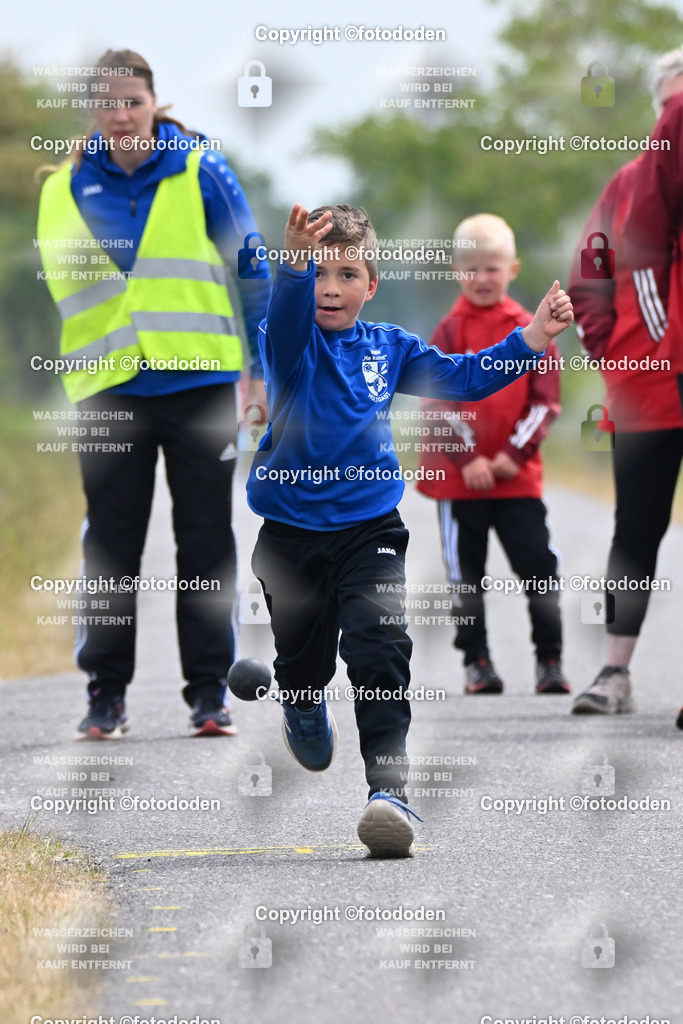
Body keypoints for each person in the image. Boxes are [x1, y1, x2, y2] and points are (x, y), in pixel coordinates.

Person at [246, 203, 574, 856]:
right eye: (318, 273)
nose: (329, 288)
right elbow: (282, 318)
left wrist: (533, 335)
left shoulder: (388, 348)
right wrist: (291, 265)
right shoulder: (288, 345)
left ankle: (387, 794)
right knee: (302, 662)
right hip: (288, 537)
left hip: (369, 530)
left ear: (372, 283)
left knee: (379, 645)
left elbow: (464, 377)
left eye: (346, 274)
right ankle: (302, 700)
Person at [36, 49, 271, 739]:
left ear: (152, 102)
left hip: (199, 379)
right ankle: (105, 693)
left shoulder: (202, 169)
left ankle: (208, 694)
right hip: (107, 388)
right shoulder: (63, 187)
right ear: (92, 110)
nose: (120, 115)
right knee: (111, 543)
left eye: (132, 102)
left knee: (204, 540)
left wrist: (260, 372)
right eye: (107, 103)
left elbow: (252, 270)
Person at [568, 49, 683, 717]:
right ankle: (613, 674)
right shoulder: (624, 185)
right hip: (643, 390)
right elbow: (588, 276)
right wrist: (613, 355)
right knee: (634, 529)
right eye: (674, 100)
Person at [417, 214, 568, 695]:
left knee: (538, 566)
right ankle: (477, 662)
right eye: (471, 268)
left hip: (516, 479)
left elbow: (545, 403)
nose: (482, 278)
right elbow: (435, 403)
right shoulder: (449, 330)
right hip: (459, 483)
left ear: (513, 268)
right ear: (457, 271)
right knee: (466, 574)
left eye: (492, 268)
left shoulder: (532, 328)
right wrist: (469, 459)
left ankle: (550, 661)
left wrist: (510, 456)